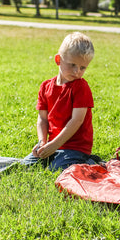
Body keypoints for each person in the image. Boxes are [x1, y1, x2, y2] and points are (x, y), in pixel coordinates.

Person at [23, 32, 99, 171]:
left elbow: (76, 120)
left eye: (83, 68)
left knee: (58, 169)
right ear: (58, 60)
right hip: (53, 144)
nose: (77, 71)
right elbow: (42, 118)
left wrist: (54, 146)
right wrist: (42, 142)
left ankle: (90, 161)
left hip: (76, 147)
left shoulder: (81, 87)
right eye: (73, 65)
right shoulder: (46, 86)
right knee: (26, 166)